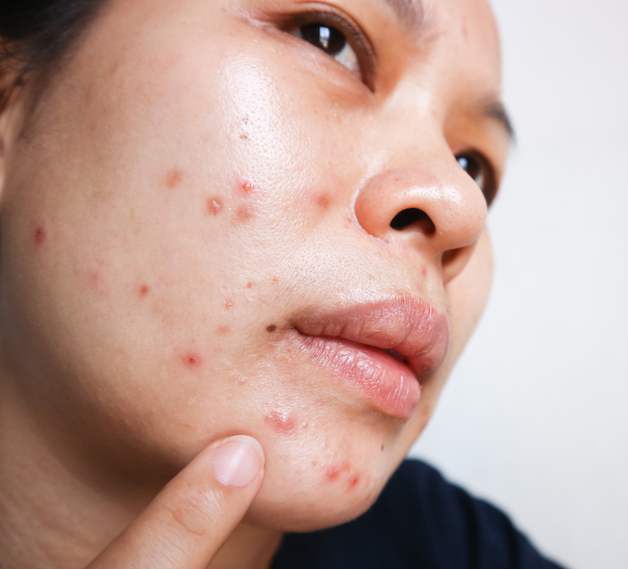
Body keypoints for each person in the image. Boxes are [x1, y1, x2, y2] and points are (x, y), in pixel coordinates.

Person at [0, 0, 563, 566]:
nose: (461, 206)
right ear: (10, 98)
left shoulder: (458, 548)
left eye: (475, 167)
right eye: (327, 40)